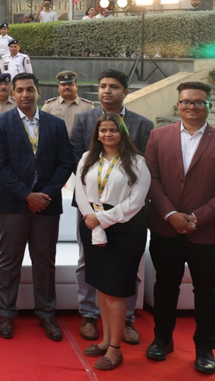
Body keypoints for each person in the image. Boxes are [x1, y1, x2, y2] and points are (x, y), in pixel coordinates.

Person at [0, 73, 75, 341]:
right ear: (12, 94)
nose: (25, 94)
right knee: (10, 260)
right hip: (12, 204)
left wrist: (44, 194)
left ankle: (47, 314)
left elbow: (65, 163)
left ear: (37, 91)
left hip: (46, 204)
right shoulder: (0, 123)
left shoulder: (55, 124)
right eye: (20, 90)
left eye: (30, 90)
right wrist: (27, 195)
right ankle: (5, 313)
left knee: (45, 262)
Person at [70, 69, 153, 344]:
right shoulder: (83, 121)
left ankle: (126, 319)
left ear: (125, 91)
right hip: (89, 210)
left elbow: (143, 171)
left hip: (126, 214)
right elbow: (77, 165)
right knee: (87, 263)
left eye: (114, 86)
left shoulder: (143, 125)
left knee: (128, 268)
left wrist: (112, 214)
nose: (107, 91)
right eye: (103, 85)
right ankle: (90, 315)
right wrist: (91, 213)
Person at [144, 81, 215, 375]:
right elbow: (152, 179)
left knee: (208, 292)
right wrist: (170, 213)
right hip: (166, 229)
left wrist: (198, 217)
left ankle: (204, 348)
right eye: (186, 102)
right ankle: (162, 339)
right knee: (165, 287)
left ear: (209, 106)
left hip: (208, 232)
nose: (192, 107)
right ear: (178, 104)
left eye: (199, 102)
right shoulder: (157, 136)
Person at [74, 113, 150, 371]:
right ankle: (106, 340)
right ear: (97, 134)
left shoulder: (137, 162)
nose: (108, 134)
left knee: (114, 290)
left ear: (122, 133)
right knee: (101, 288)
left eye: (113, 130)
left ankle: (116, 350)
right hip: (92, 223)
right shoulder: (87, 158)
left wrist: (102, 220)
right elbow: (80, 192)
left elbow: (136, 202)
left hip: (124, 228)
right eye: (103, 130)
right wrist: (92, 220)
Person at [41, 71, 94, 135]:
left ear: (76, 86)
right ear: (58, 87)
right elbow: (41, 128)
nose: (67, 87)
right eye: (63, 85)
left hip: (80, 144)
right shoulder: (48, 106)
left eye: (70, 84)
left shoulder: (88, 107)